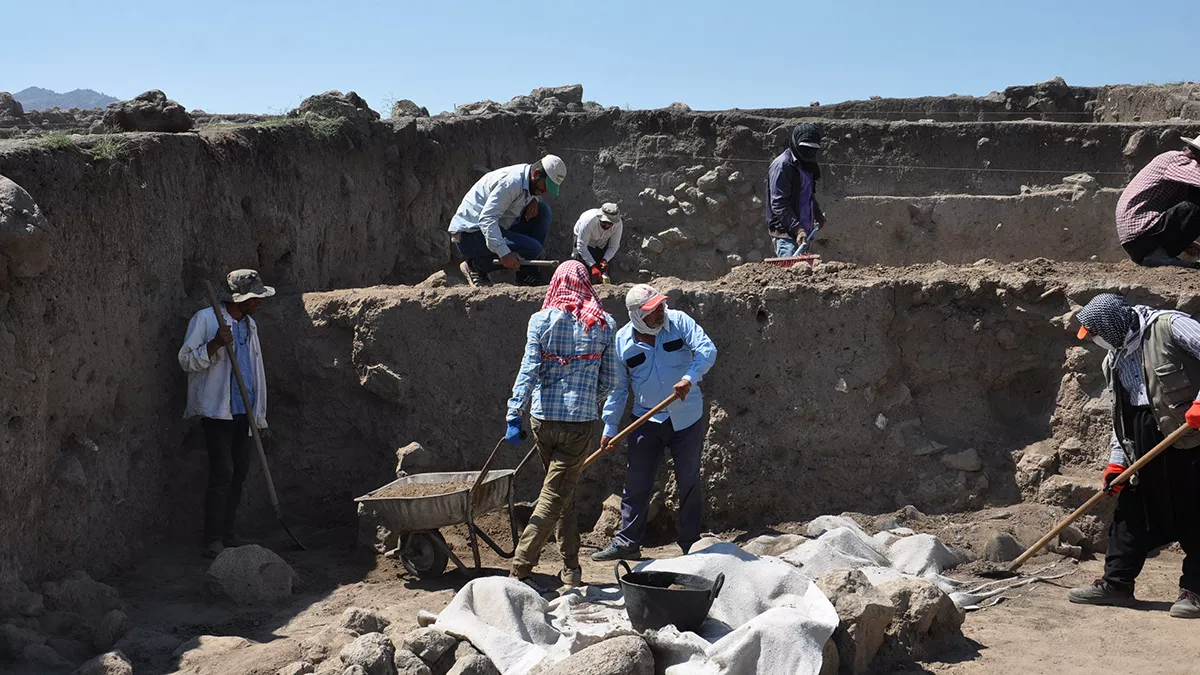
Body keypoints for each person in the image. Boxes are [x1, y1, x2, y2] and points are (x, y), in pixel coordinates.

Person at [1066, 293, 1200, 618]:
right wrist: (1117, 462)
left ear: (1110, 324)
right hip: (1143, 444)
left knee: (1196, 511)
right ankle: (1117, 583)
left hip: (1192, 438)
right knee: (1131, 511)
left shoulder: (1169, 326)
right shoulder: (1112, 360)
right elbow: (1121, 417)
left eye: (1095, 333)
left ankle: (1195, 591)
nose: (1095, 341)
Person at [506, 261, 618, 592]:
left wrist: (515, 411)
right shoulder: (604, 323)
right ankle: (522, 564)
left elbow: (528, 369)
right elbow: (609, 380)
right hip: (580, 422)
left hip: (543, 419)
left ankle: (571, 567)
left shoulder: (540, 320)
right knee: (557, 491)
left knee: (560, 491)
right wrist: (588, 397)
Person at [592, 284, 717, 561]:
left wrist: (689, 378)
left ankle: (690, 543)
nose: (661, 312)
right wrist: (610, 427)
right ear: (636, 315)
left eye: (661, 305)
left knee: (689, 481)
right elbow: (618, 388)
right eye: (653, 310)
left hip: (687, 417)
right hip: (646, 419)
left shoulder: (679, 321)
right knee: (637, 481)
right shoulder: (621, 342)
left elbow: (707, 351)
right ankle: (628, 543)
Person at [177, 270, 274, 558]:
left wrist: (260, 413)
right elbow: (185, 361)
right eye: (254, 298)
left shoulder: (250, 325)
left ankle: (230, 533)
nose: (258, 302)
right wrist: (215, 344)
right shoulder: (207, 320)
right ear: (239, 298)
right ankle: (213, 539)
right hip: (218, 412)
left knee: (240, 473)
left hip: (245, 410)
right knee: (223, 473)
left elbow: (253, 369)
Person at [448, 155, 568, 287]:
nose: (544, 191)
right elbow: (487, 219)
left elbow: (526, 195)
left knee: (543, 211)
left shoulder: (529, 181)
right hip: (470, 236)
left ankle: (526, 274)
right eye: (544, 186)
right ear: (536, 173)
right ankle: (476, 266)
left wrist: (534, 198)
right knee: (533, 249)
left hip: (494, 227)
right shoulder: (511, 182)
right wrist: (504, 252)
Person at [1114, 135, 1200, 268]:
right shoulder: (1177, 160)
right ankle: (1157, 254)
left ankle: (1159, 254)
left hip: (1139, 238)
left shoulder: (1181, 172)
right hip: (1142, 234)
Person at [767, 122, 826, 258]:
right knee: (791, 275)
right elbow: (779, 203)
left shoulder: (807, 164)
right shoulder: (783, 165)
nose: (809, 153)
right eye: (805, 148)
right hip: (787, 235)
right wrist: (797, 229)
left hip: (804, 233)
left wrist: (816, 213)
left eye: (813, 149)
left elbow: (807, 193)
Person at [571, 203, 623, 284]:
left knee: (603, 271)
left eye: (610, 223)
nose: (607, 225)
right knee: (582, 269)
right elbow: (582, 246)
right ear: (600, 217)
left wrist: (605, 260)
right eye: (604, 222)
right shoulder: (588, 221)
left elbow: (614, 246)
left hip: (601, 243)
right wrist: (593, 266)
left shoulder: (618, 224)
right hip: (583, 241)